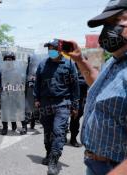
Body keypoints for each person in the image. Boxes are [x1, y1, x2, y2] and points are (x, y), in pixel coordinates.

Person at [67, 1, 127, 174]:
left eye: (115, 21)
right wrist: (80, 59)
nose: (108, 29)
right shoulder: (114, 61)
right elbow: (101, 86)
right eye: (105, 24)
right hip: (96, 164)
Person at [34, 39, 80, 175]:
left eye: (53, 48)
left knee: (58, 132)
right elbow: (37, 82)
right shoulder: (43, 64)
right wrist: (36, 98)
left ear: (60, 50)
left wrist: (75, 105)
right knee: (48, 132)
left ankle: (54, 160)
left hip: (63, 103)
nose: (50, 51)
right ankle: (48, 153)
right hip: (46, 103)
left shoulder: (69, 64)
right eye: (49, 49)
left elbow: (75, 86)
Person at [0, 52, 28, 135]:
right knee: (5, 111)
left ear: (13, 60)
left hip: (16, 93)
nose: (8, 61)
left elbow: (22, 82)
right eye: (7, 59)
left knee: (20, 111)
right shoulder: (2, 70)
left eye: (10, 59)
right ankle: (5, 127)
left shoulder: (17, 70)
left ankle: (24, 127)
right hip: (5, 94)